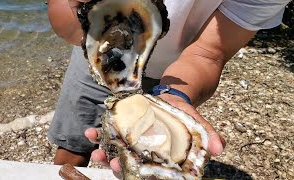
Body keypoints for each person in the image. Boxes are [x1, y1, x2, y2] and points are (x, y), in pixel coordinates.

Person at [46, 0, 291, 172]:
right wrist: (83, 18)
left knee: (139, 158)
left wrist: (173, 95)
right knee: (72, 143)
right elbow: (64, 23)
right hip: (101, 59)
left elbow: (208, 53)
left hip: (177, 72)